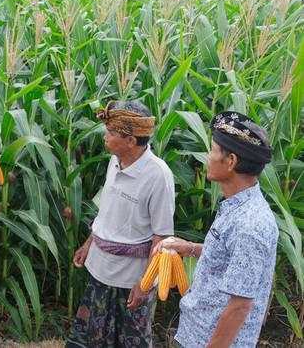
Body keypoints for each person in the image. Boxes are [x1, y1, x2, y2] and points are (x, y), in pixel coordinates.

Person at [155, 111, 277, 347]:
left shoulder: (250, 224)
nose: (207, 157)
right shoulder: (236, 206)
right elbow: (231, 256)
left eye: (211, 150)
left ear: (230, 161)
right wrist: (190, 247)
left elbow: (240, 305)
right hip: (195, 333)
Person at [67, 100, 176, 347]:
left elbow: (162, 237)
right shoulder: (114, 161)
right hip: (100, 270)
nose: (105, 137)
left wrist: (145, 284)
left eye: (111, 133)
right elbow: (106, 211)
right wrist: (88, 245)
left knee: (131, 340)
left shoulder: (158, 175)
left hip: (131, 279)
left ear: (130, 141)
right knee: (96, 337)